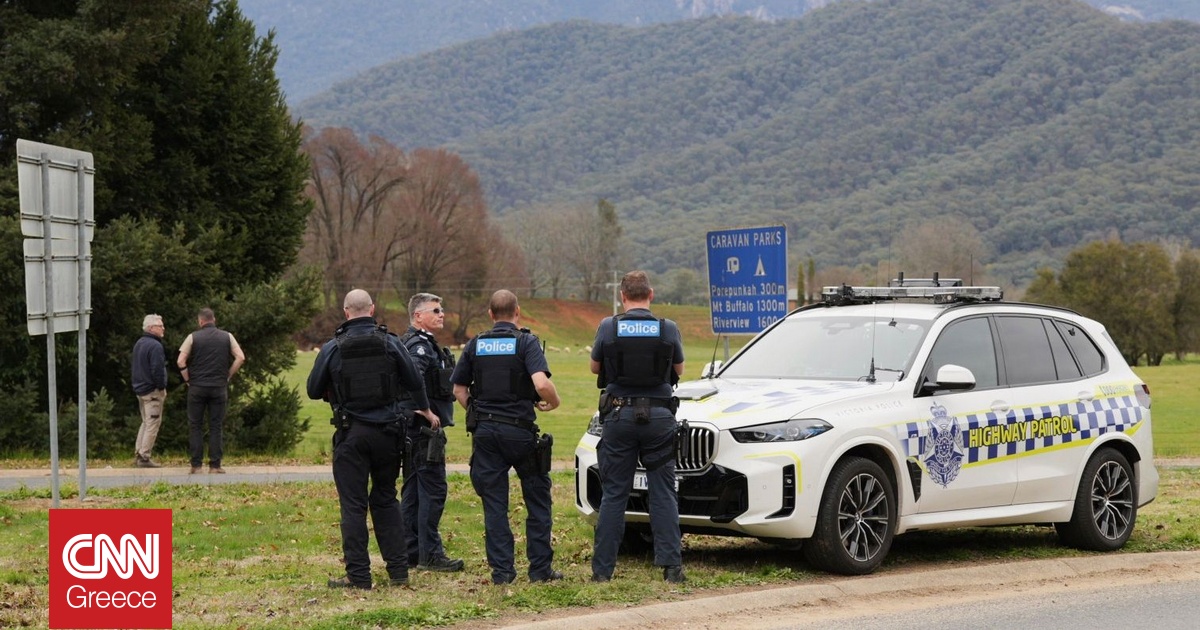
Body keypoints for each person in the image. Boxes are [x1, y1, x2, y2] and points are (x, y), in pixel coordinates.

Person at [308, 289, 440, 590]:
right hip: (388, 434)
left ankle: (359, 577)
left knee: (353, 505)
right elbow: (414, 381)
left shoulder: (333, 347)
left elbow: (313, 390)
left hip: (351, 434)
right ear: (372, 309)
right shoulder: (391, 342)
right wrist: (426, 410)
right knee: (385, 499)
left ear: (345, 312)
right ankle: (398, 572)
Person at [451, 289, 562, 585]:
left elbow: (459, 390)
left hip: (486, 433)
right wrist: (554, 402)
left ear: (490, 314)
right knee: (537, 499)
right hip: (520, 432)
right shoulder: (526, 342)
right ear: (518, 312)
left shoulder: (476, 344)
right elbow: (540, 382)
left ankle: (502, 573)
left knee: (495, 504)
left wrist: (477, 411)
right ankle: (539, 570)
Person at [589, 270, 687, 583]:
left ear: (623, 296)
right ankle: (671, 568)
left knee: (615, 493)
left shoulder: (608, 325)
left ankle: (603, 572)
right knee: (662, 492)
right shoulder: (667, 328)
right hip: (659, 417)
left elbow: (595, 368)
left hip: (619, 415)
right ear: (651, 294)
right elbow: (679, 369)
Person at [398, 293, 464, 572]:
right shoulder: (420, 347)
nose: (442, 314)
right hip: (424, 431)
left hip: (412, 430)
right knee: (433, 490)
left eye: (442, 308)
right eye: (435, 310)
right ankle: (430, 554)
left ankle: (411, 551)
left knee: (413, 490)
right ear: (418, 316)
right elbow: (413, 376)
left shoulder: (414, 343)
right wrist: (424, 409)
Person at [177, 307, 246, 474]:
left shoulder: (192, 337)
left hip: (197, 387)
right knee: (216, 426)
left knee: (196, 425)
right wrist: (227, 375)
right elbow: (240, 357)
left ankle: (196, 465)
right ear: (213, 320)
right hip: (218, 387)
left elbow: (180, 361)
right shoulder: (227, 336)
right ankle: (215, 465)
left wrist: (188, 379)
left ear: (200, 321)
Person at [131, 314, 168, 468]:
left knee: (146, 422)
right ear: (151, 328)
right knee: (152, 422)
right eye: (160, 325)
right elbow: (157, 369)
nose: (163, 328)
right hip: (152, 391)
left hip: (140, 389)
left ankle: (139, 451)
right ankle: (144, 456)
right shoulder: (155, 346)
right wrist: (161, 386)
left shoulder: (139, 343)